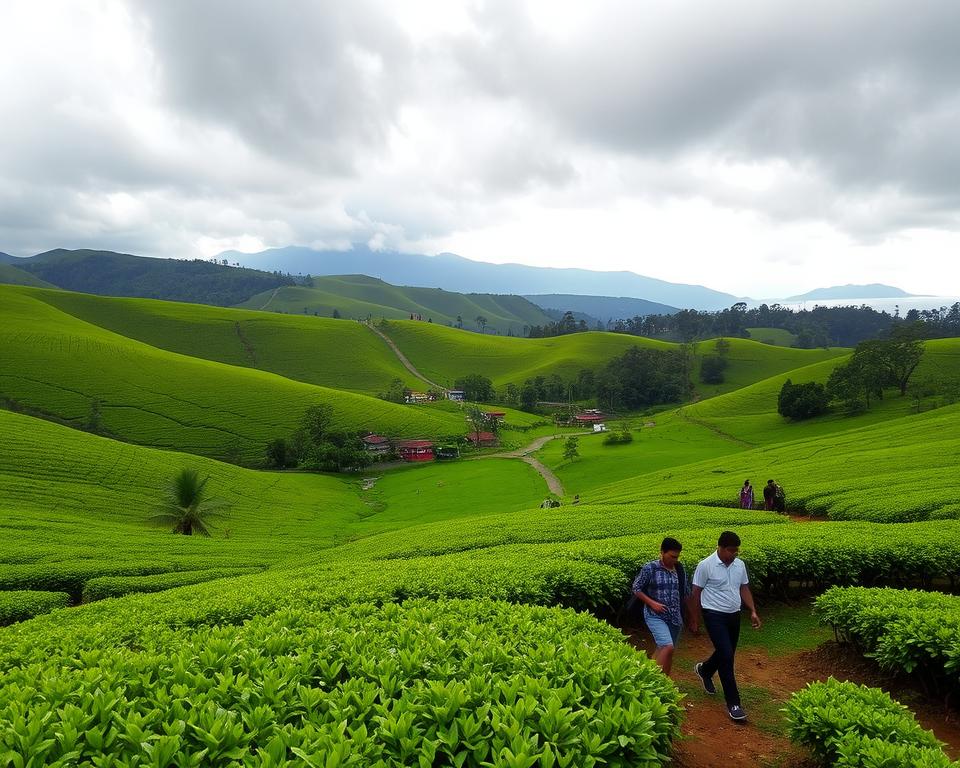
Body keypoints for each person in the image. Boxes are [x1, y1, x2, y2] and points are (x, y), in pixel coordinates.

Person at [690, 531, 761, 722]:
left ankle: (704, 670)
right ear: (720, 548)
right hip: (713, 614)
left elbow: (744, 587)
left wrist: (752, 610)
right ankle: (734, 704)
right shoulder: (706, 565)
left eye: (736, 551)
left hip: (734, 615)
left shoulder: (740, 565)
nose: (734, 554)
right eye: (731, 550)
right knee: (727, 657)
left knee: (725, 652)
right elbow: (696, 593)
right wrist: (695, 619)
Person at [631, 537, 691, 675]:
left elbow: (686, 593)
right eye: (671, 556)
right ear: (662, 552)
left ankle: (662, 680)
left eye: (677, 557)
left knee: (665, 651)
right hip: (655, 615)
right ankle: (654, 681)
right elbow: (636, 588)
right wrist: (652, 603)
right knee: (667, 646)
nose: (674, 560)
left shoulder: (680, 569)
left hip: (675, 617)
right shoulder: (650, 568)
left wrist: (692, 617)